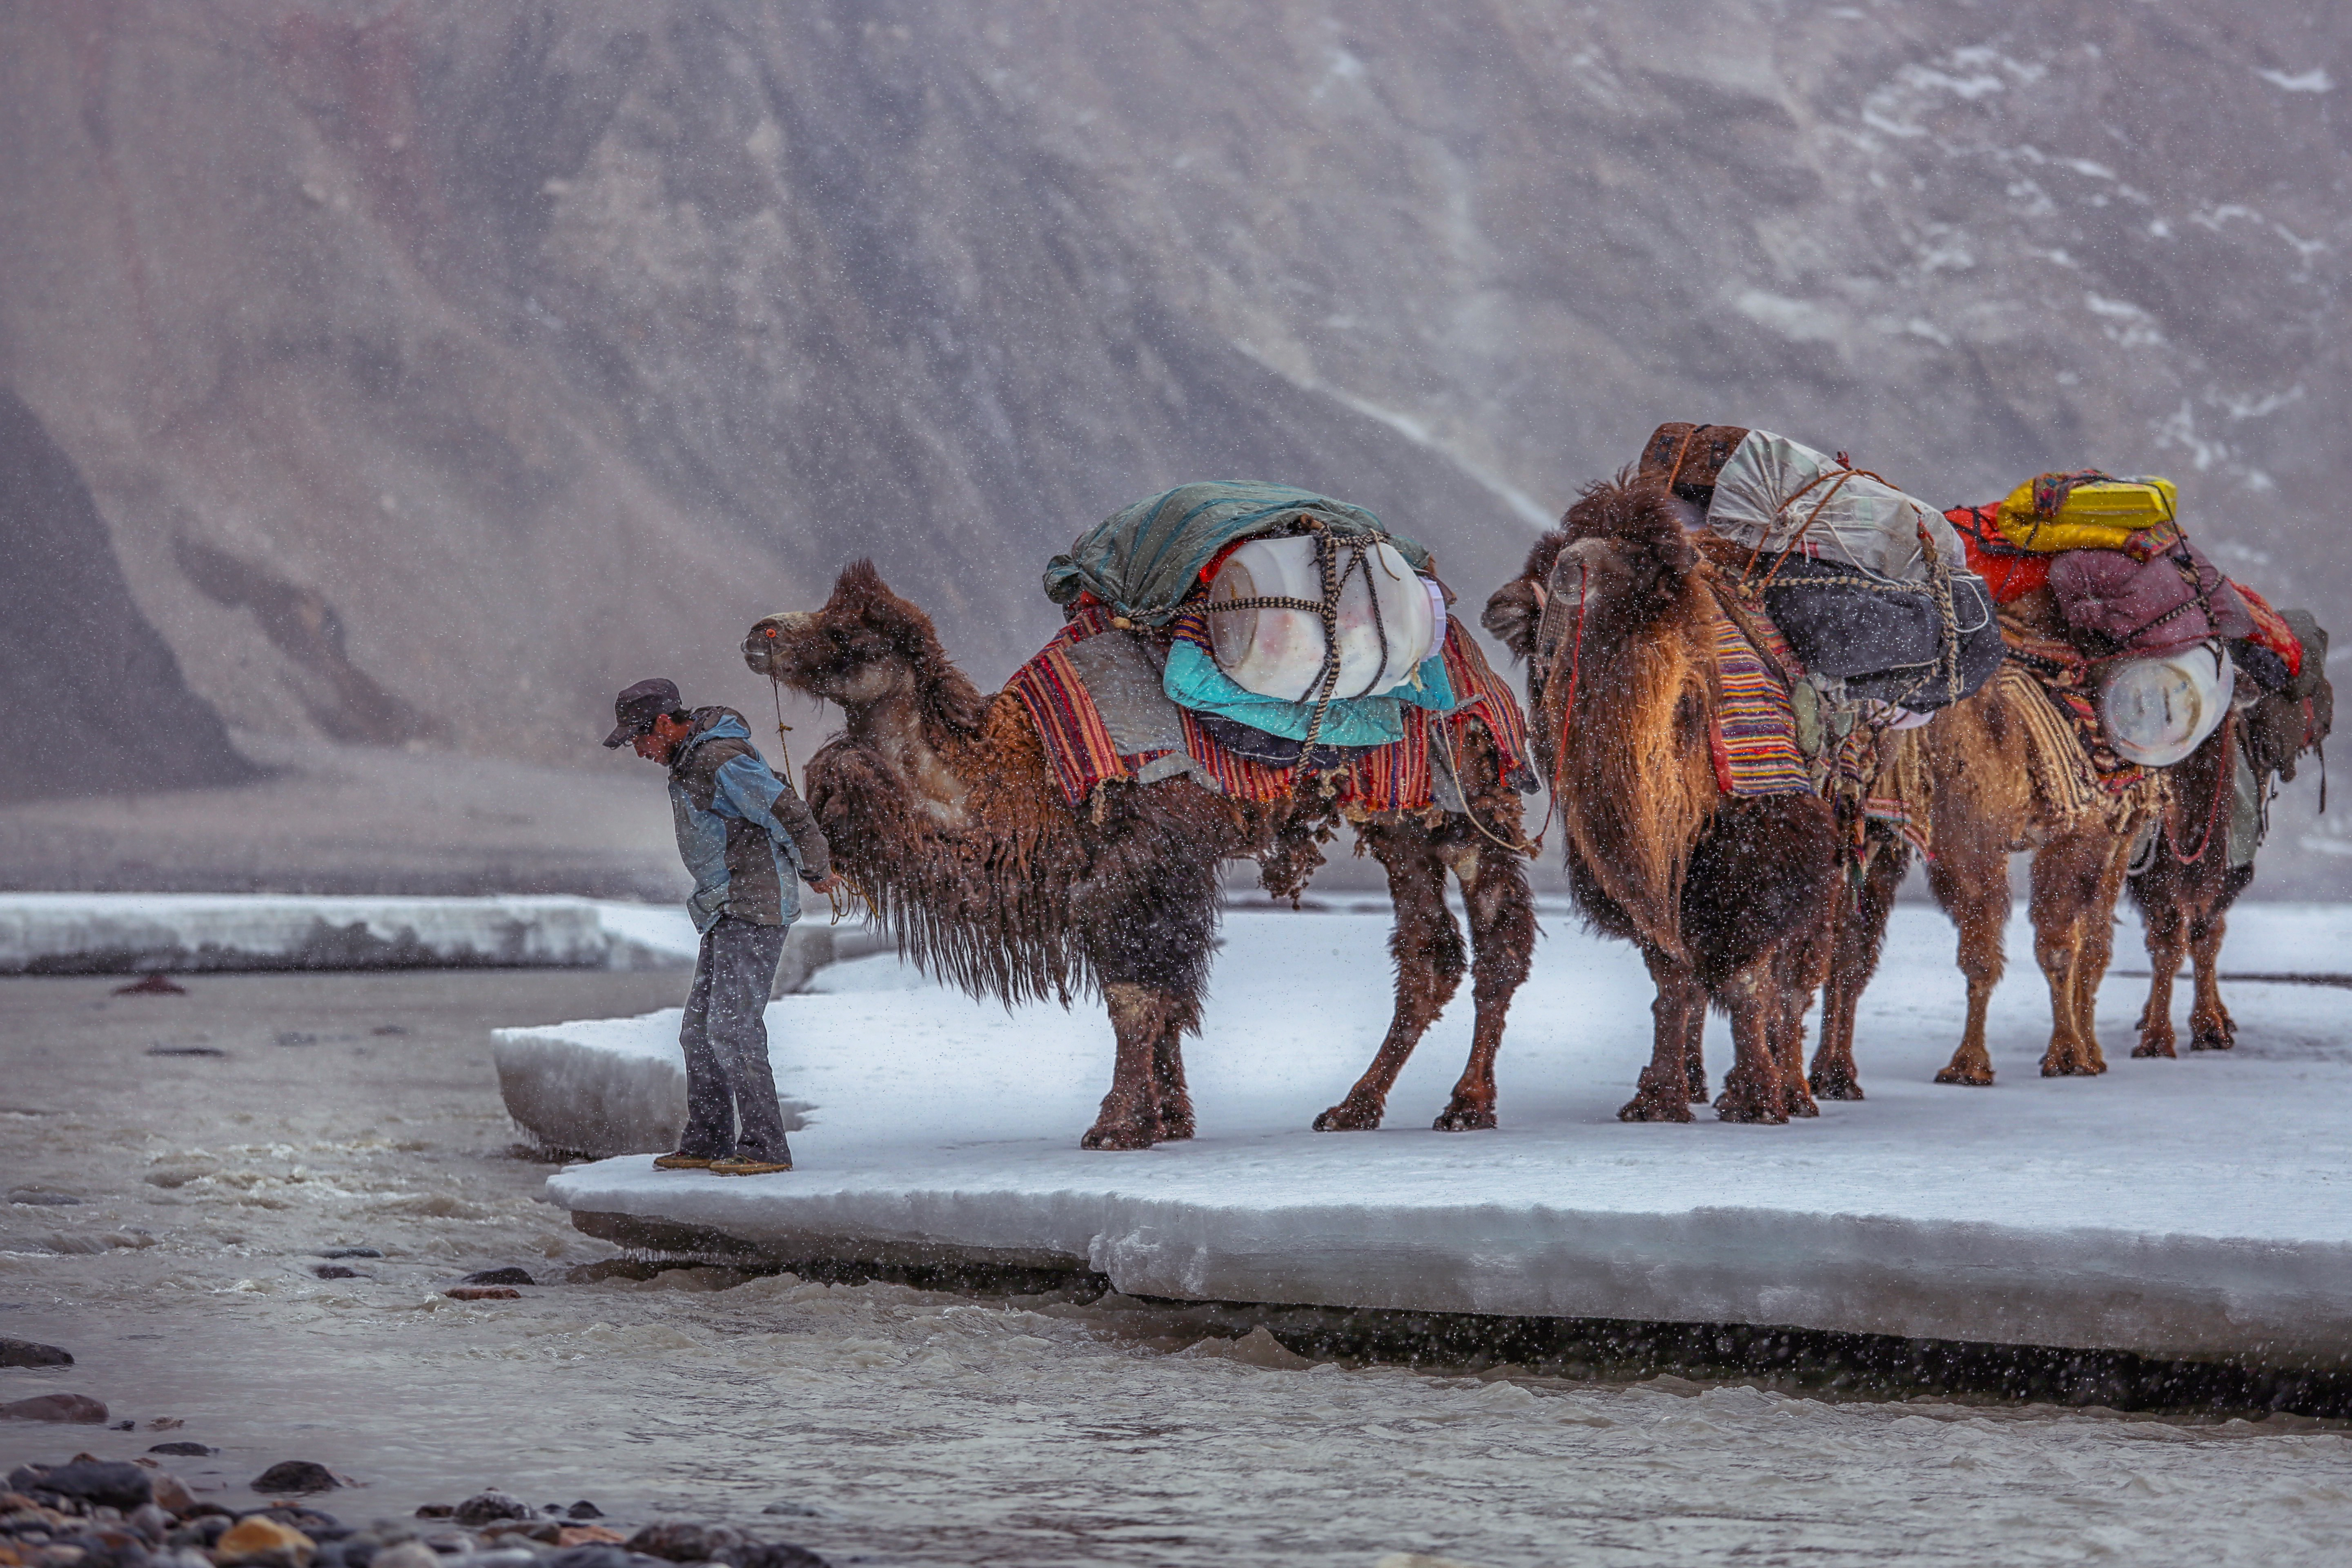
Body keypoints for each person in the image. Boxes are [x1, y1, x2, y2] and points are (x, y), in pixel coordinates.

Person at [604, 677, 843, 1175]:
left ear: (664, 723)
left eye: (640, 739)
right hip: (724, 907)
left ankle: (765, 1148)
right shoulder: (689, 759)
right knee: (698, 1031)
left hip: (754, 905)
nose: (640, 751)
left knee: (732, 1028)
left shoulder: (718, 759)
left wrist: (817, 869)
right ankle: (708, 1140)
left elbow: (787, 812)